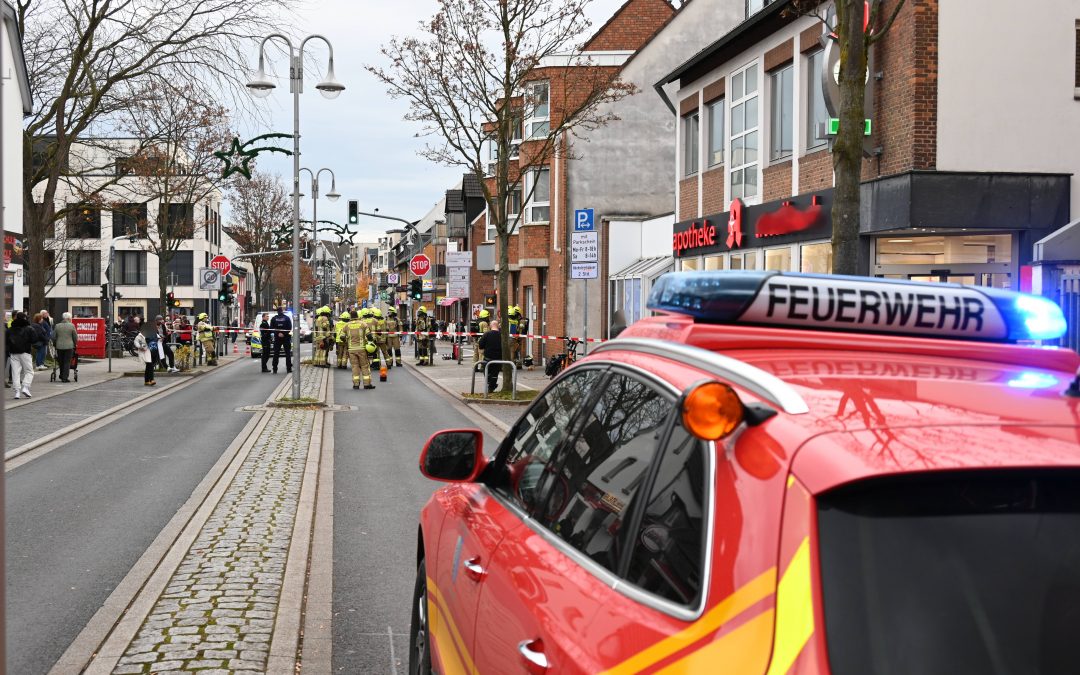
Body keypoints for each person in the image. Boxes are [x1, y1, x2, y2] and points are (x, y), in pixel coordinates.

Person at [7, 312, 37, 398]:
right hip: (25, 352)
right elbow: (34, 340)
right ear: (25, 318)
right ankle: (26, 386)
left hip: (13, 353)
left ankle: (17, 392)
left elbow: (6, 341)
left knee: (15, 372)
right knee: (29, 371)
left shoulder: (10, 329)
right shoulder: (29, 328)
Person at [344, 309, 375, 389]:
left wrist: (347, 341)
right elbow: (369, 337)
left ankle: (356, 384)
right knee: (364, 366)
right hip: (361, 349)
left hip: (351, 349)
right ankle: (367, 384)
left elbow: (341, 336)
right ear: (357, 316)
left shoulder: (346, 325)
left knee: (355, 366)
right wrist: (370, 344)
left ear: (350, 316)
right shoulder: (363, 324)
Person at [52, 312, 78, 383]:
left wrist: (55, 344)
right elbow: (75, 337)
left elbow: (53, 337)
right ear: (69, 318)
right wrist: (75, 344)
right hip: (69, 346)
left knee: (61, 361)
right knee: (67, 362)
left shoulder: (57, 326)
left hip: (59, 346)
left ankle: (61, 375)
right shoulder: (71, 326)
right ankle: (65, 378)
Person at [478, 319, 502, 393]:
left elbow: (481, 345)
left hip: (488, 357)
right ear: (498, 326)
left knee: (486, 371)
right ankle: (492, 386)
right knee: (495, 373)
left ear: (490, 326)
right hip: (498, 357)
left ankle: (490, 383)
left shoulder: (486, 334)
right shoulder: (502, 335)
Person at [269, 306, 293, 373]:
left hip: (277, 338)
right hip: (286, 338)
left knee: (276, 353)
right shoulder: (287, 318)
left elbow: (271, 328)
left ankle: (274, 369)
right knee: (287, 353)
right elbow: (289, 328)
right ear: (282, 310)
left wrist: (278, 333)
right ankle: (288, 368)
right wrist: (284, 334)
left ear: (277, 311)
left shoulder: (274, 318)